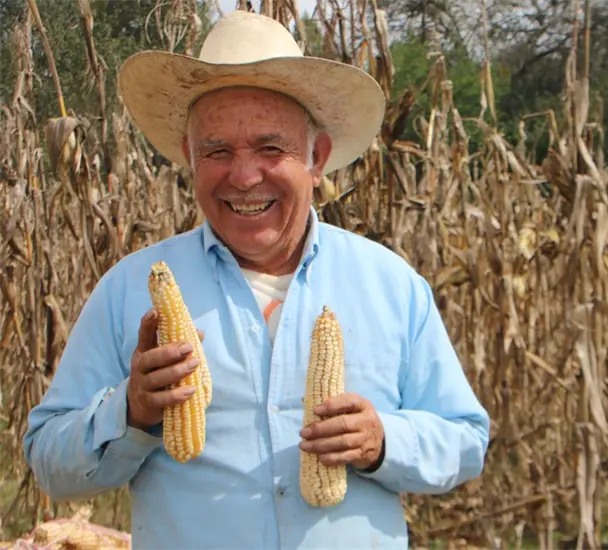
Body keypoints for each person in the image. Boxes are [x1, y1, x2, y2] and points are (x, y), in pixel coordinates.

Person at [22, 10, 490, 550]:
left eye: (271, 148)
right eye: (218, 151)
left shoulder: (390, 284)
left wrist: (384, 441)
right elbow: (47, 459)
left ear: (316, 158)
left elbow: (465, 441)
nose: (244, 177)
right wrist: (131, 411)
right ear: (190, 159)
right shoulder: (128, 290)